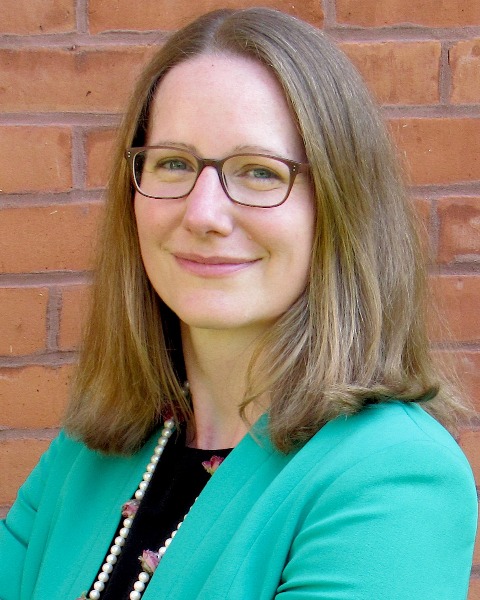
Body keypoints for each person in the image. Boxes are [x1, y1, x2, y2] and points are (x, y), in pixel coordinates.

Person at [0, 7, 477, 600]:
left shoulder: (391, 477)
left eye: (259, 172)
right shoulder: (89, 454)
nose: (203, 214)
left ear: (340, 207)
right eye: (174, 163)